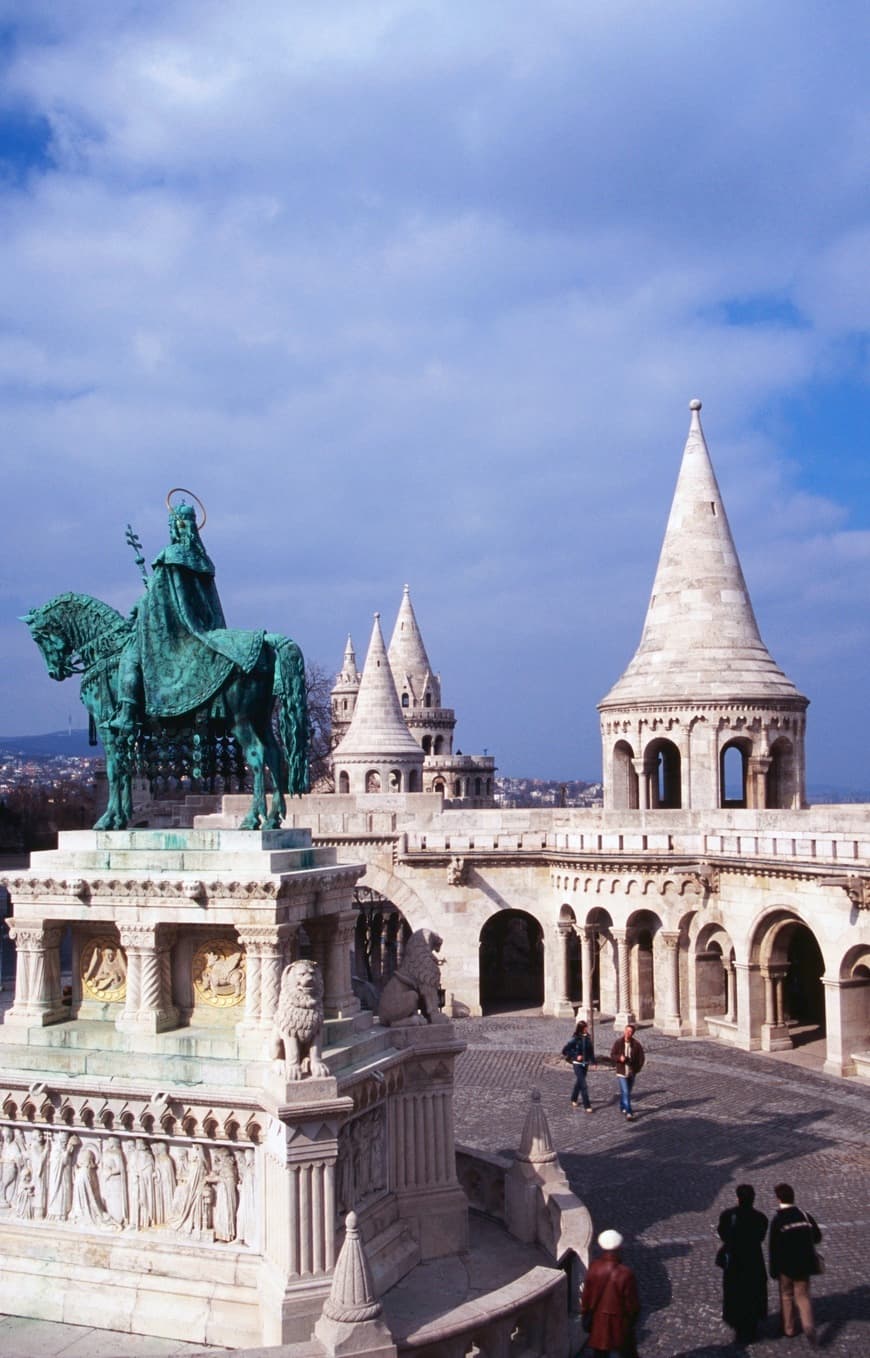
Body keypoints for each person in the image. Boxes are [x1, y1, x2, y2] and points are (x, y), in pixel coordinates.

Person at [112, 499, 262, 733]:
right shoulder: (203, 561)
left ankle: (127, 715)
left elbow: (157, 601)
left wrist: (139, 606)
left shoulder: (169, 555)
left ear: (174, 526)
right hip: (204, 624)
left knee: (130, 656)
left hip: (175, 630)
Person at [769, 1182, 822, 1346]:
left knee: (786, 1295)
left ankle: (789, 1328)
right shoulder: (804, 1215)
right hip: (805, 1264)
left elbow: (774, 1248)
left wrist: (773, 1270)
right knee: (803, 1296)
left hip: (786, 1266)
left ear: (778, 1199)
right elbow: (817, 1237)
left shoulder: (778, 1220)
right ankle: (808, 1326)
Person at [717, 1183, 768, 1343]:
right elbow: (760, 1237)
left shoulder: (727, 1215)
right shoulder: (760, 1218)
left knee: (735, 1292)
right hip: (753, 1259)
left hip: (735, 1260)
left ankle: (738, 1325)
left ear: (738, 1198)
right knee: (753, 1291)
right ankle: (751, 1327)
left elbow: (723, 1234)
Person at [581, 1228, 641, 1358]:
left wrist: (586, 1314)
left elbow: (587, 1297)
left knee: (600, 1353)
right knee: (627, 1352)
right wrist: (632, 1320)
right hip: (620, 1320)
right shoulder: (625, 1273)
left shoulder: (594, 1268)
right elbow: (632, 1304)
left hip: (599, 1321)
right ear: (619, 1249)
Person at [609, 1024, 645, 1121]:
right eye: (627, 1031)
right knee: (625, 1092)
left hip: (631, 1072)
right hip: (621, 1072)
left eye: (630, 1032)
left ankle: (622, 1106)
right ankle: (629, 1112)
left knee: (627, 1092)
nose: (628, 1033)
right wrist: (619, 1058)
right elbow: (612, 1055)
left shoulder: (636, 1045)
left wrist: (637, 1069)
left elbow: (641, 1058)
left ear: (633, 1033)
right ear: (624, 1031)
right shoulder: (618, 1043)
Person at [561, 1019, 596, 1111]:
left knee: (579, 1082)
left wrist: (594, 1062)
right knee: (584, 1085)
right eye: (585, 1028)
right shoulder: (575, 1039)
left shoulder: (588, 1038)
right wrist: (576, 1056)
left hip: (585, 1063)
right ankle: (587, 1105)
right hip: (577, 1064)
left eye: (586, 1027)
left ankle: (573, 1098)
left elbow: (590, 1051)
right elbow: (565, 1050)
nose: (586, 1029)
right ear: (581, 1029)